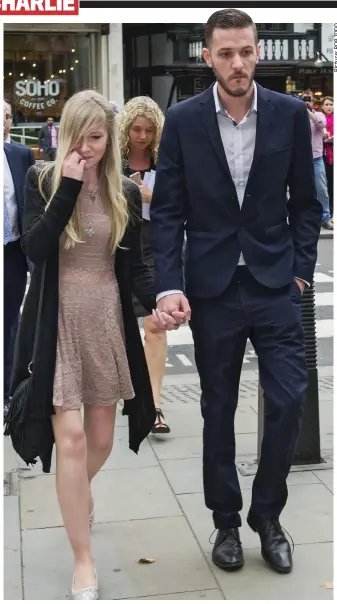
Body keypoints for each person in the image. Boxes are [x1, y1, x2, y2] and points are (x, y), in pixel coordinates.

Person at [150, 8, 322, 575]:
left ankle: (267, 516)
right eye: (226, 53)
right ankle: (225, 519)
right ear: (208, 57)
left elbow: (307, 203)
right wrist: (170, 284)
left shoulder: (292, 115)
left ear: (257, 52)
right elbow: (169, 210)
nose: (238, 62)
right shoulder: (183, 120)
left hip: (275, 283)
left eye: (246, 51)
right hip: (214, 288)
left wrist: (300, 268)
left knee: (291, 397)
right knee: (217, 407)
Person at [10, 90, 178, 600]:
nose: (89, 145)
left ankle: (73, 492)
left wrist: (160, 303)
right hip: (56, 322)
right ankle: (83, 563)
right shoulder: (43, 177)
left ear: (112, 137)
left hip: (105, 319)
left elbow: (136, 267)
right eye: (80, 135)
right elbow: (36, 251)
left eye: (98, 137)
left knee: (102, 441)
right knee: (74, 440)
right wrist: (69, 187)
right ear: (65, 134)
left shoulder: (124, 190)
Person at [118, 96, 171, 435]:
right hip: (120, 245)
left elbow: (185, 203)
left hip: (155, 244)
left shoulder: (165, 161)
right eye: (136, 129)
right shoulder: (114, 161)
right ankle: (124, 397)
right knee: (119, 327)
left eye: (149, 130)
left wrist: (152, 196)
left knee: (156, 323)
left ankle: (154, 406)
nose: (142, 136)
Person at [3, 99, 35, 420]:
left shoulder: (21, 155)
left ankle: (8, 393)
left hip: (11, 251)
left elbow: (28, 203)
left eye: (8, 117)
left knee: (10, 323)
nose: (4, 122)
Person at [302, 90, 333, 230]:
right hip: (300, 158)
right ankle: (303, 218)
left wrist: (309, 112)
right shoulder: (296, 113)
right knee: (301, 190)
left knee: (322, 190)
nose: (307, 101)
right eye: (304, 99)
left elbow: (321, 125)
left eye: (309, 99)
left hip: (316, 158)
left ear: (313, 102)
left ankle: (325, 217)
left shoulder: (318, 114)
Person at [321, 96, 334, 219]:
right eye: (327, 104)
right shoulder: (320, 118)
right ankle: (328, 209)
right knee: (326, 184)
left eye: (331, 104)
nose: (329, 107)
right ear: (322, 106)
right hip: (324, 154)